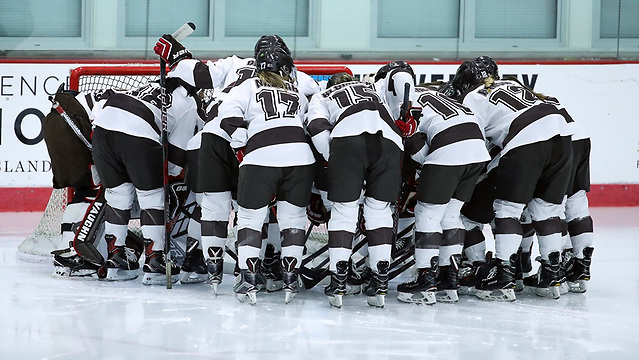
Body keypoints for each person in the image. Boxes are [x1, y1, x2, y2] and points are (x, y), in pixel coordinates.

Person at [154, 34, 321, 293]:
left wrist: (177, 55)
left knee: (211, 207)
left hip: (213, 136)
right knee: (270, 206)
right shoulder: (298, 77)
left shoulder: (235, 63)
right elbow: (315, 112)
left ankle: (202, 262)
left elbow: (198, 75)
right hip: (259, 141)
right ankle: (271, 262)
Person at [452, 56, 573, 301]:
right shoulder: (512, 83)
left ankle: (503, 274)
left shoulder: (473, 96)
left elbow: (476, 142)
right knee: (546, 209)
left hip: (526, 138)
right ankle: (553, 274)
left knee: (507, 209)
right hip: (562, 135)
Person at [91, 59, 210, 285]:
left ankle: (116, 257)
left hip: (103, 129)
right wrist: (171, 182)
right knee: (152, 198)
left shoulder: (151, 84)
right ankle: (155, 260)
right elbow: (176, 158)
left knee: (117, 195)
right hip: (137, 133)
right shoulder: (188, 103)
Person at [216, 42, 315, 305]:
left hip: (261, 155)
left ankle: (248, 278)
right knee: (293, 218)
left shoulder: (247, 86)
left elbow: (226, 117)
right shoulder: (296, 90)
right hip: (301, 157)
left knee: (250, 218)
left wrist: (242, 146)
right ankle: (290, 278)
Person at [306, 64, 408, 309]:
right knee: (379, 210)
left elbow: (317, 127)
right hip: (391, 142)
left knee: (344, 211)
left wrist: (336, 159)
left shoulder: (323, 95)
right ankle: (380, 279)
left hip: (347, 138)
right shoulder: (373, 88)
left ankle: (339, 279)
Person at [397, 81, 490, 305]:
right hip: (478, 150)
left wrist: (421, 171)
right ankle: (450, 279)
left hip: (449, 148)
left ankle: (426, 279)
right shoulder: (445, 99)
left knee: (427, 213)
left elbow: (415, 145)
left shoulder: (406, 100)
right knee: (451, 214)